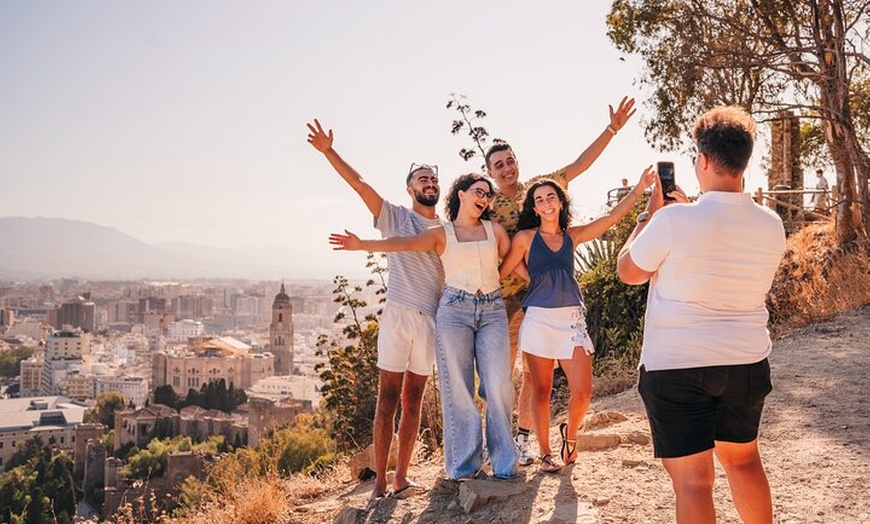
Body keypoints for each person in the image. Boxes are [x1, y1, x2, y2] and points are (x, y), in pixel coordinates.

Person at [617, 106, 786, 524]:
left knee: (693, 481)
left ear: (704, 160)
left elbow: (629, 271)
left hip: (677, 366)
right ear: (744, 160)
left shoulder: (673, 220)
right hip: (745, 362)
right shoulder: (771, 224)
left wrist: (650, 217)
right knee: (744, 462)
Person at [330, 174, 518, 480]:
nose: (483, 198)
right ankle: (463, 467)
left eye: (487, 194)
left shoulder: (493, 229)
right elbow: (402, 243)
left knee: (497, 384)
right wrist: (362, 244)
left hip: (488, 308)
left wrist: (524, 278)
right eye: (477, 192)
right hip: (451, 310)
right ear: (461, 194)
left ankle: (504, 464)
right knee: (457, 390)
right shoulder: (439, 232)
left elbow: (514, 258)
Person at [486, 95, 637, 465]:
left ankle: (523, 440)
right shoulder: (486, 201)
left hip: (541, 300)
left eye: (510, 161)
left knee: (534, 380)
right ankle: (500, 441)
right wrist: (527, 273)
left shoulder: (540, 188)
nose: (506, 169)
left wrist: (612, 129)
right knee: (499, 376)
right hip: (504, 296)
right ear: (489, 171)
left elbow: (581, 163)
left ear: (517, 163)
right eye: (498, 165)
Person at [307, 119, 443, 501]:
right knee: (387, 399)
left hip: (430, 322)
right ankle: (380, 481)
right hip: (399, 315)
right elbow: (359, 184)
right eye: (421, 179)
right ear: (410, 188)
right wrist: (329, 151)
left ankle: (402, 476)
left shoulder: (447, 229)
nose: (428, 184)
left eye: (432, 179)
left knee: (414, 401)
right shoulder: (395, 217)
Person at [499, 169, 655, 472]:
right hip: (539, 320)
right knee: (541, 391)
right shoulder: (525, 238)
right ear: (533, 207)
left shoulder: (571, 236)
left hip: (571, 318)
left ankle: (569, 436)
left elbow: (610, 219)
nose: (545, 203)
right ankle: (545, 453)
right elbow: (502, 272)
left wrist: (639, 188)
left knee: (583, 391)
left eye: (550, 197)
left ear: (560, 202)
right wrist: (533, 278)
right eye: (539, 199)